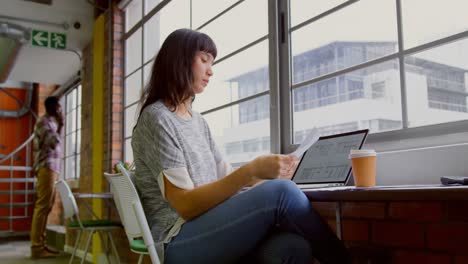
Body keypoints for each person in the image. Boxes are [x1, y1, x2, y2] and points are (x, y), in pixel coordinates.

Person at [132, 28, 351, 264]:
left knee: (292, 247)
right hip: (176, 239)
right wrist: (251, 170)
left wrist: (270, 174)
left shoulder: (198, 122)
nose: (210, 71)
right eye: (204, 60)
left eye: (212, 62)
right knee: (282, 193)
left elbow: (227, 177)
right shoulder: (158, 118)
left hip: (208, 226)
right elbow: (185, 205)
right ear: (179, 60)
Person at [30, 96, 63, 259]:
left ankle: (40, 244)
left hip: (51, 168)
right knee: (43, 206)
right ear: (53, 107)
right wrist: (61, 125)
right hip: (46, 167)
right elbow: (53, 142)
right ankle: (36, 247)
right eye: (59, 106)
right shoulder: (45, 122)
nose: (60, 109)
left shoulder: (50, 121)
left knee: (47, 206)